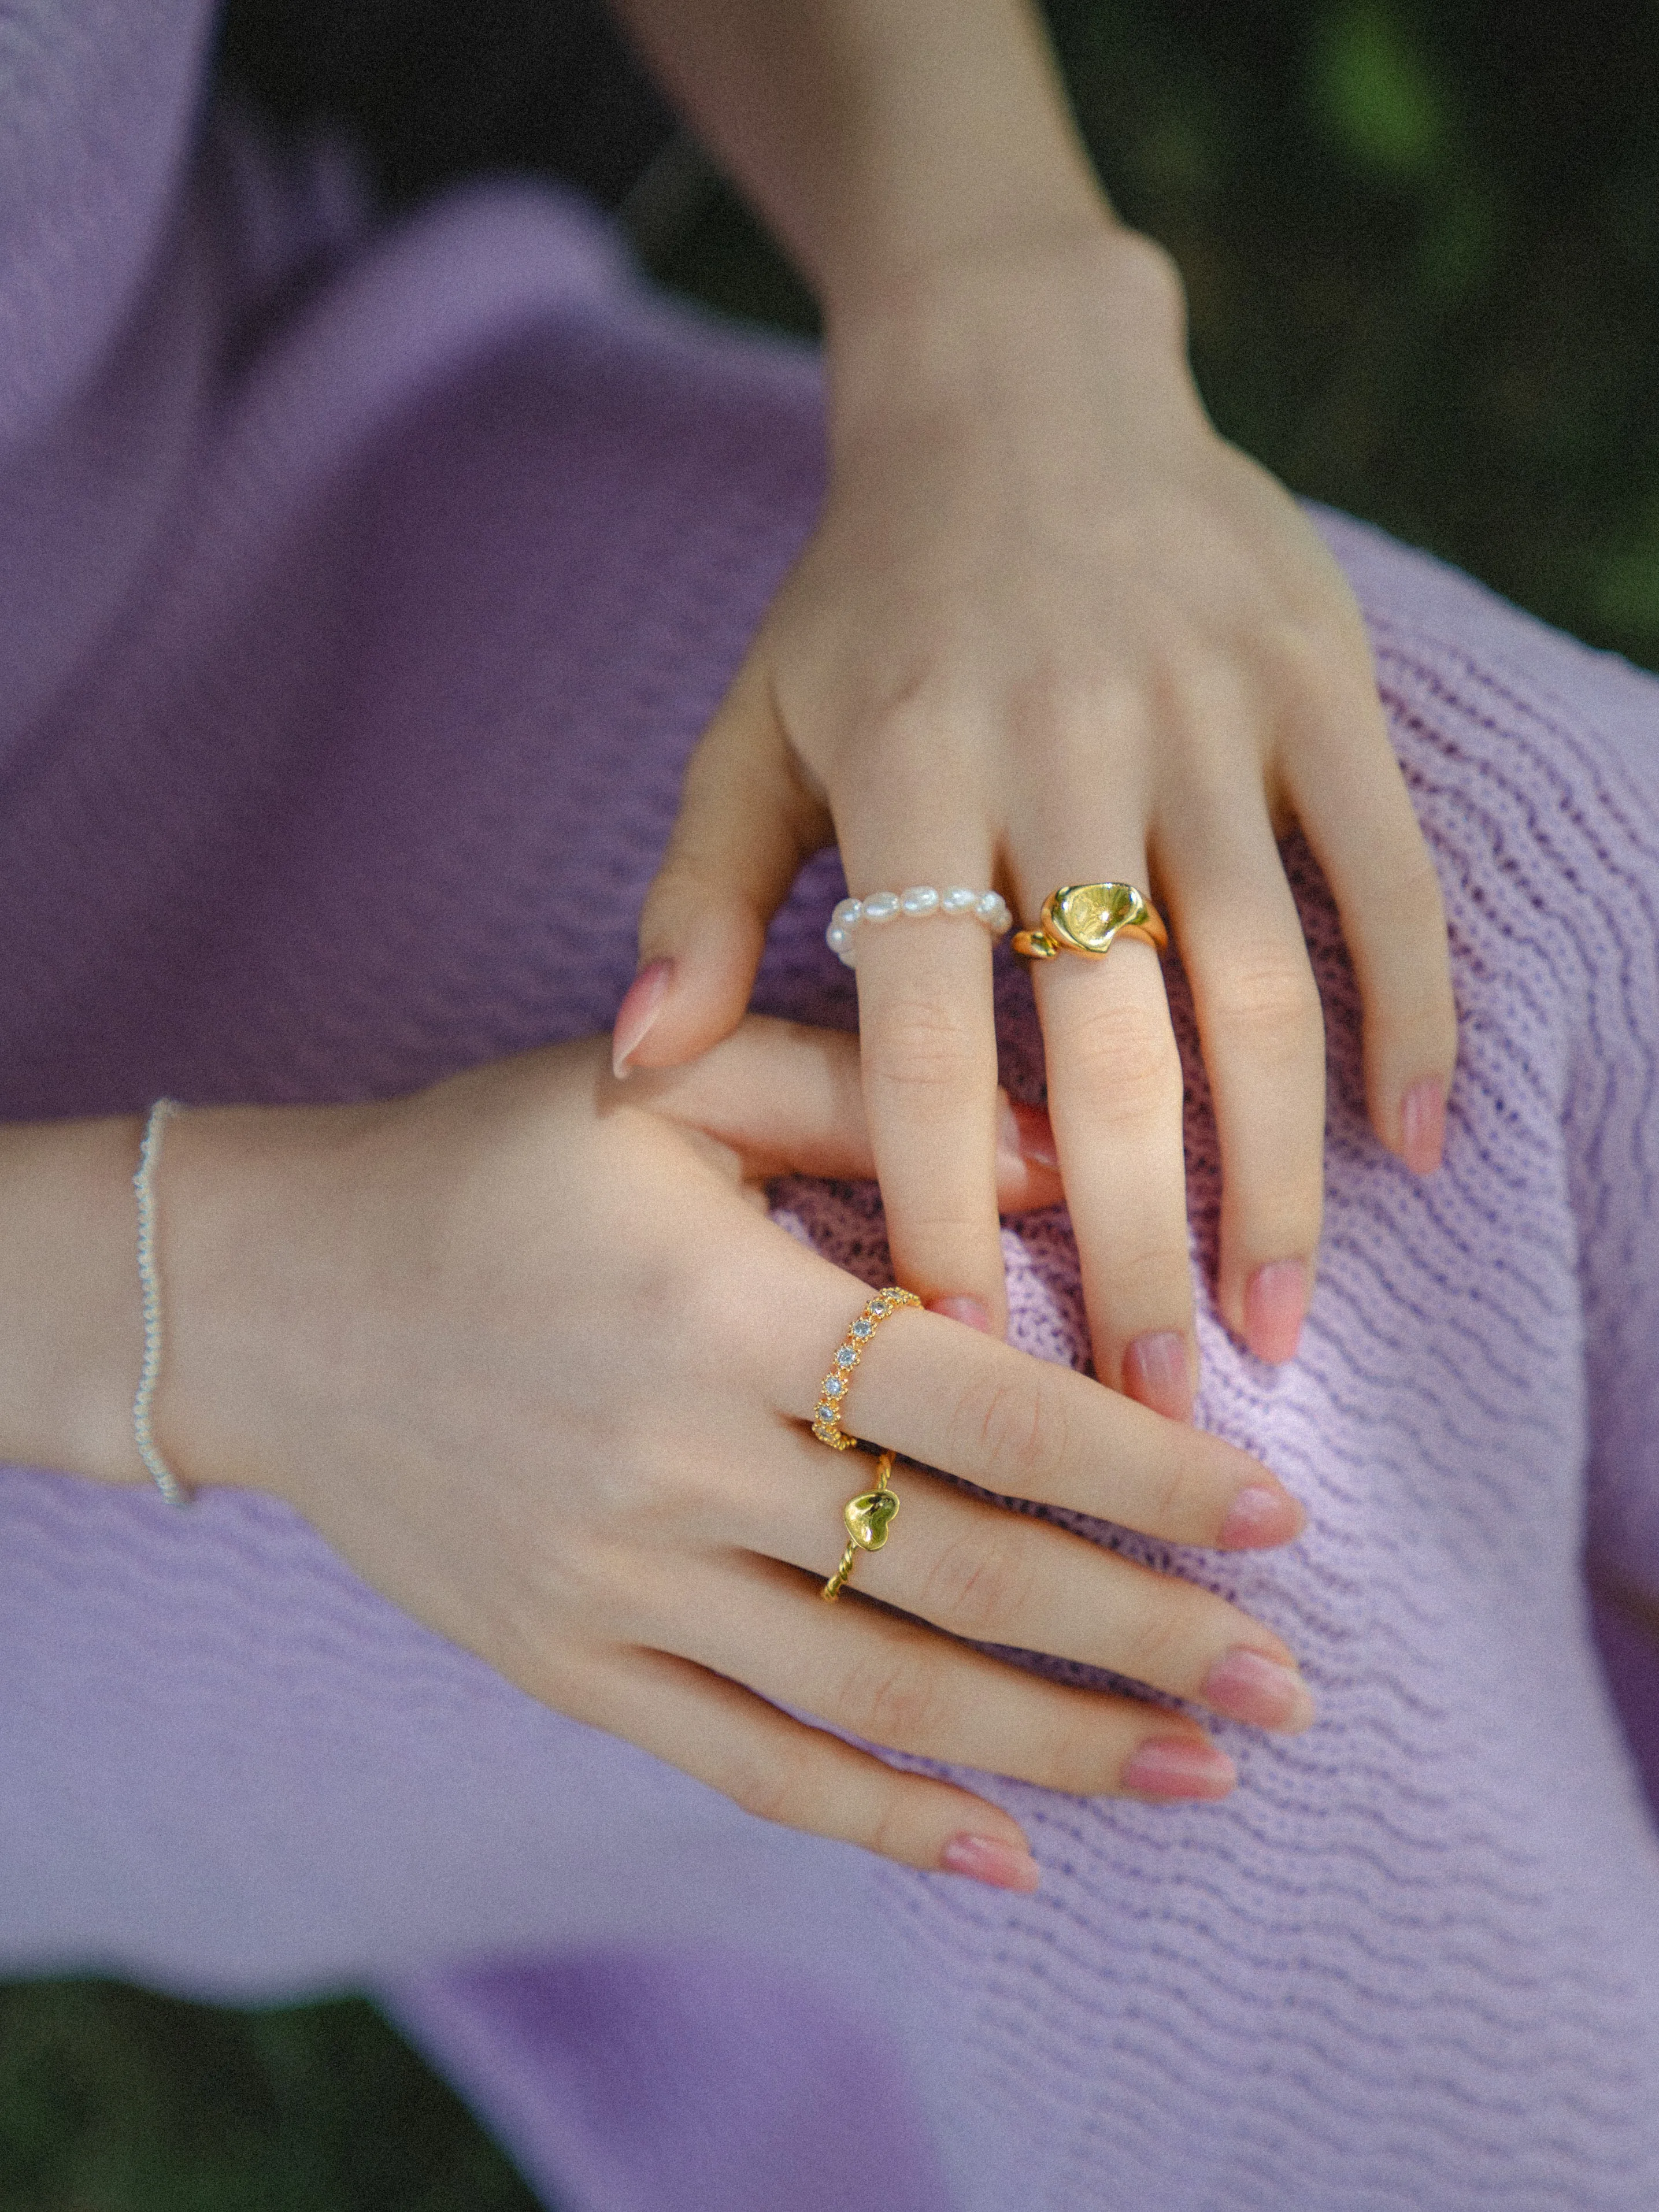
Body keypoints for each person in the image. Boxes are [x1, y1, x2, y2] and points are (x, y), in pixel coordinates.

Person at [2, 2, 1657, 2206]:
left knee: (1506, 905)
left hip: (221, 477)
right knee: (1092, 1553)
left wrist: (1007, 329)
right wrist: (198, 1302)